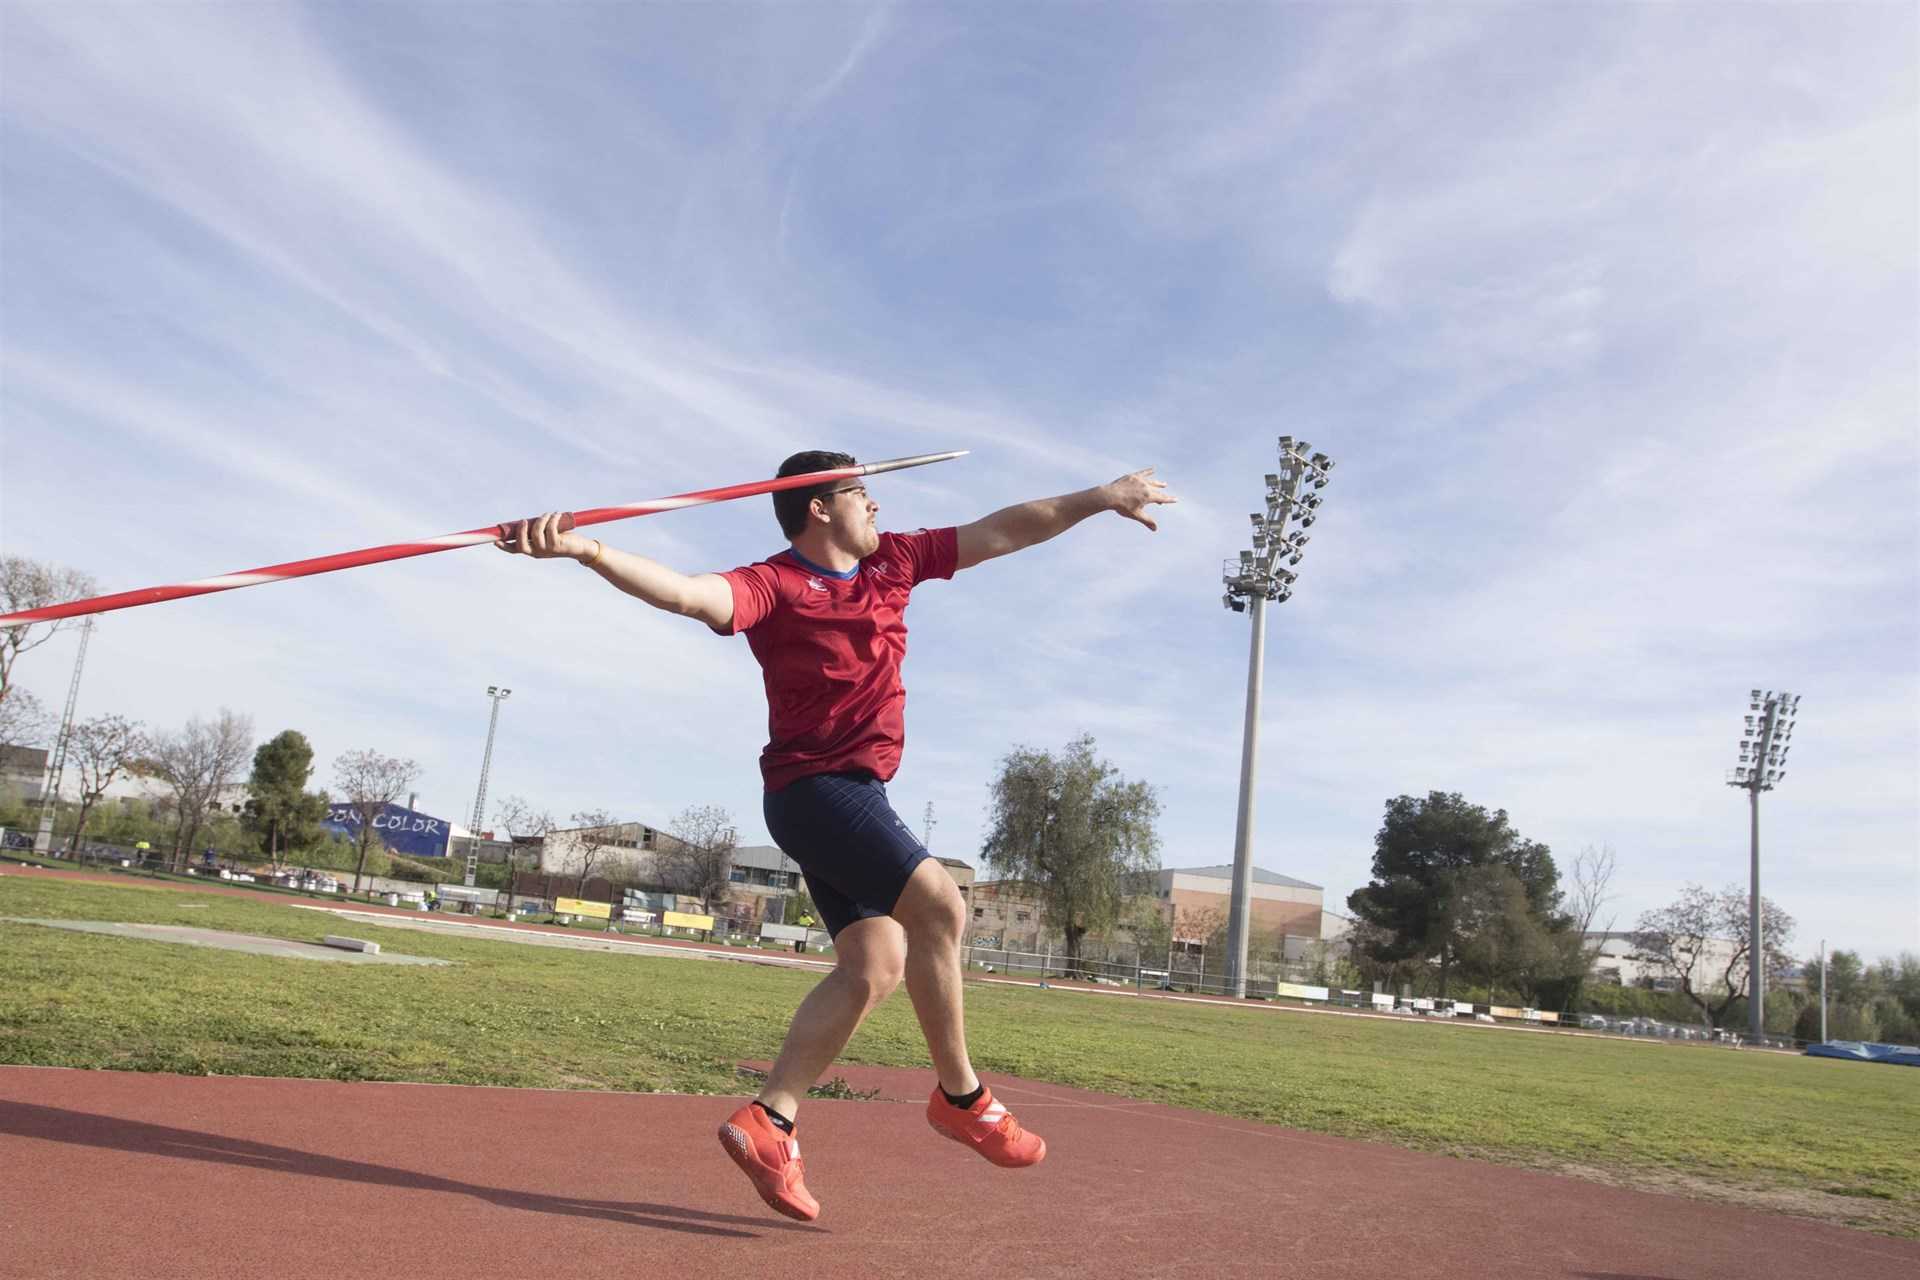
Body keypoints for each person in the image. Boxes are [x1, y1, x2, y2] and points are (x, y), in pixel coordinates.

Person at [496, 451, 1174, 1222]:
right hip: (816, 791)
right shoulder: (773, 583)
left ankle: (771, 1119)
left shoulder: (895, 561)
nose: (877, 508)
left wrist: (1098, 497)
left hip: (849, 795)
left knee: (874, 964)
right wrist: (586, 549)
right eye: (862, 494)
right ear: (818, 507)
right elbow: (690, 594)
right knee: (942, 908)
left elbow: (1005, 530)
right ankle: (964, 1099)